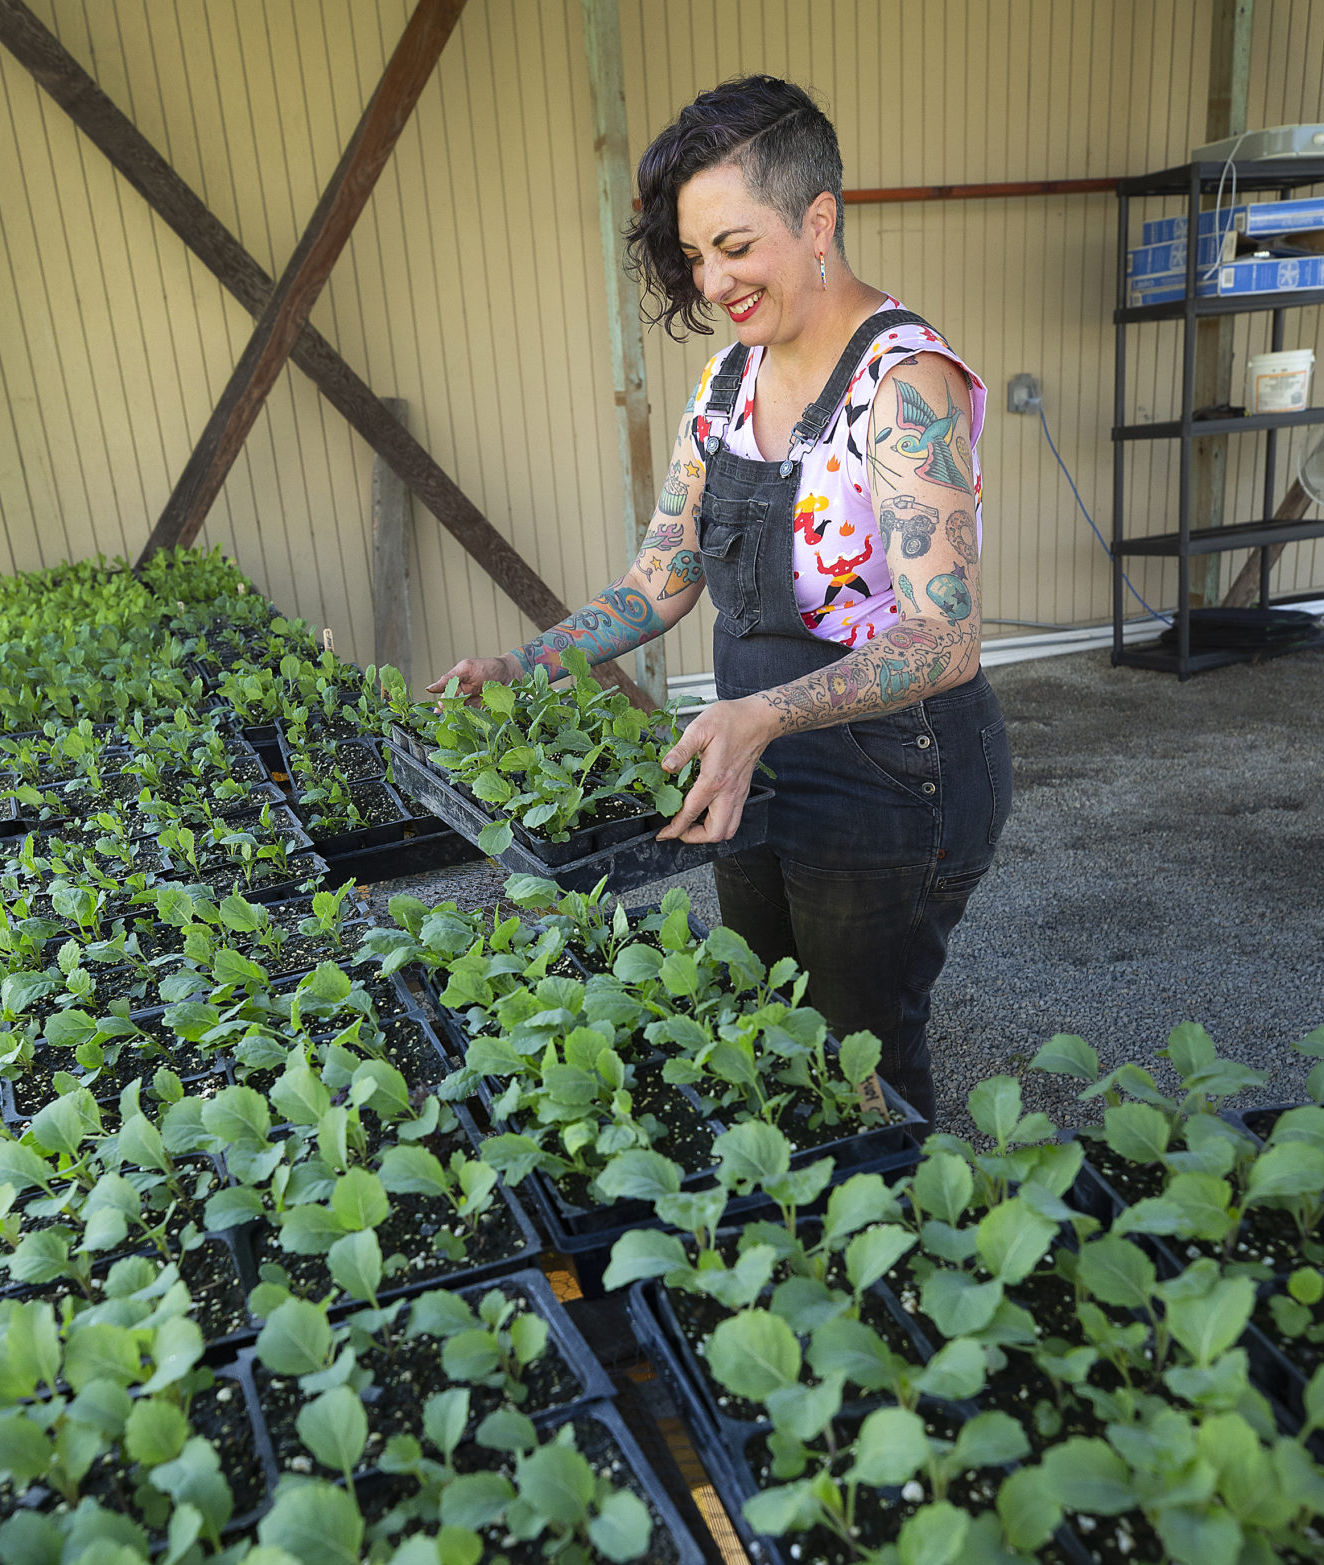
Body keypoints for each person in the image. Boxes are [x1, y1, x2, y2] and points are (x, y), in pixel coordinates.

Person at [432, 75, 1011, 1126]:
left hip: (896, 773)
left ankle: (911, 1253)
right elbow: (659, 579)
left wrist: (764, 715)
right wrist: (522, 664)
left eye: (735, 247)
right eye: (696, 256)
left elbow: (946, 638)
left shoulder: (902, 384)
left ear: (817, 220)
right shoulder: (726, 384)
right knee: (768, 1026)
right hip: (753, 757)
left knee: (860, 1059)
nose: (712, 280)